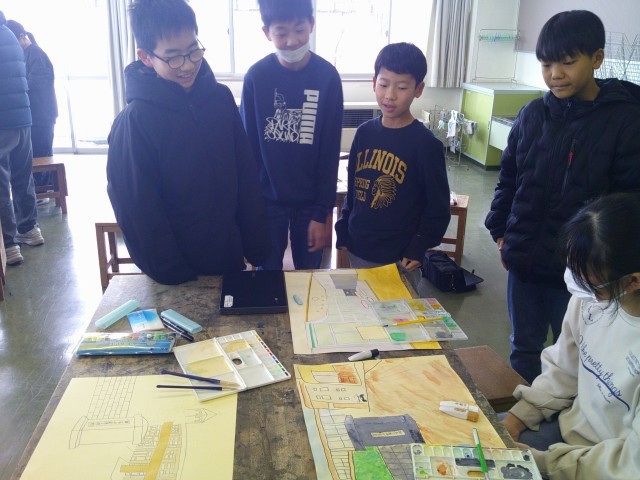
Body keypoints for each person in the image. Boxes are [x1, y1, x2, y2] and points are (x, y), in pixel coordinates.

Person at [484, 10, 640, 383]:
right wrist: (501, 231)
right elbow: (509, 177)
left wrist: (608, 266)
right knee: (524, 347)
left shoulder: (624, 121)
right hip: (525, 262)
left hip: (584, 273)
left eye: (568, 62)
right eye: (546, 64)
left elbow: (628, 205)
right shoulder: (532, 115)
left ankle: (566, 417)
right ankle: (523, 412)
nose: (555, 73)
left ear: (597, 59)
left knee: (577, 357)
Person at [107, 0, 271, 285]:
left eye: (194, 51)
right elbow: (138, 210)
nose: (187, 65)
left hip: (228, 257)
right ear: (145, 57)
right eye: (173, 57)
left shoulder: (220, 99)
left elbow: (245, 175)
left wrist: (256, 244)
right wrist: (174, 273)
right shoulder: (135, 121)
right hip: (177, 272)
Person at [502, 192, 640, 480]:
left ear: (632, 281)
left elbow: (629, 465)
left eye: (590, 282)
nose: (576, 287)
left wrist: (541, 463)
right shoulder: (590, 299)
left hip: (607, 466)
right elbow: (563, 370)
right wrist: (517, 418)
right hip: (565, 431)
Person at [334, 42, 450, 287]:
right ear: (373, 82)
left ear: (419, 89)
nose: (390, 95)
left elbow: (438, 207)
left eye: (402, 87)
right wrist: (343, 228)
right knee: (362, 306)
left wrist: (419, 245)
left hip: (400, 257)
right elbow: (353, 190)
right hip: (359, 246)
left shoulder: (425, 145)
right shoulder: (364, 133)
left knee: (396, 310)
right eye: (384, 84)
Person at [240, 0, 343, 271]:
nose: (292, 41)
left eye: (299, 30)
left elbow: (329, 153)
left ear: (312, 24)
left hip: (310, 203)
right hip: (266, 203)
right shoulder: (255, 78)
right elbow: (248, 151)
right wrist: (249, 210)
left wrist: (322, 212)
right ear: (267, 32)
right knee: (266, 275)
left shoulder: (327, 78)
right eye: (281, 32)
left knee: (310, 277)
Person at [0, 11, 44, 267]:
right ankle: (29, 229)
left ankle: (8, 244)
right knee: (22, 175)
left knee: (1, 183)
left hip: (2, 121)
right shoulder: (8, 33)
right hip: (23, 119)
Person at [6, 19, 58, 201]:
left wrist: (16, 85)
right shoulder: (27, 54)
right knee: (37, 153)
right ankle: (42, 191)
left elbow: (38, 83)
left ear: (22, 37)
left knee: (41, 154)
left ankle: (43, 192)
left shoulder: (35, 54)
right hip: (37, 115)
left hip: (42, 115)